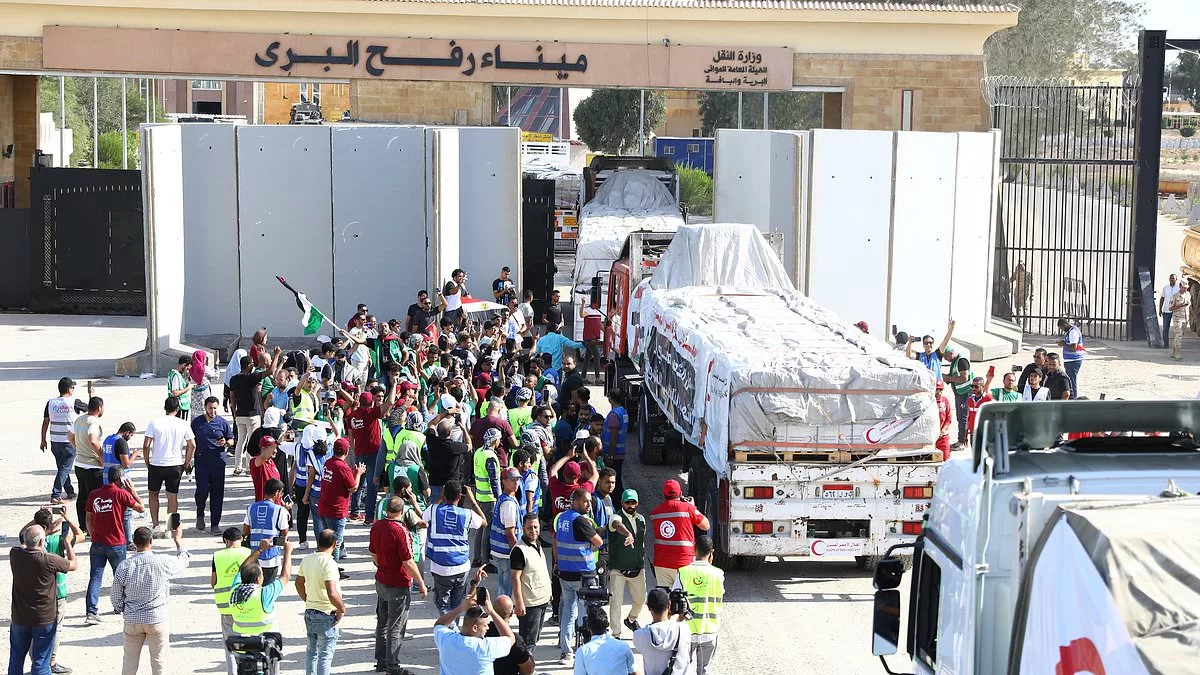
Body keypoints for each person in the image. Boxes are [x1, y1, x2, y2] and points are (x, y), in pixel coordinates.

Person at [112, 523, 191, 675]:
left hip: (133, 619)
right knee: (159, 662)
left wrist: (123, 609)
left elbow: (115, 597)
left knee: (129, 662)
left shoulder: (124, 566)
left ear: (134, 543)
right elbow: (183, 561)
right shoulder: (162, 562)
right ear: (151, 541)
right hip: (157, 618)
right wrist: (178, 540)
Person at [370, 496, 429, 675]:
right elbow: (408, 562)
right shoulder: (401, 530)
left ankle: (381, 662)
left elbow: (374, 554)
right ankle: (393, 667)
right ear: (402, 512)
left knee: (382, 622)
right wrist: (421, 582)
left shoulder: (377, 526)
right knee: (396, 625)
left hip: (381, 580)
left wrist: (382, 567)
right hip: (398, 584)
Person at [20, 508, 81, 675]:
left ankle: (37, 663)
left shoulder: (30, 542)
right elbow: (80, 534)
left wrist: (38, 522)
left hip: (36, 592)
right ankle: (51, 661)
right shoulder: (60, 540)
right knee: (56, 629)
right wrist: (66, 518)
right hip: (58, 591)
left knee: (35, 630)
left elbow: (22, 533)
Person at [84, 465, 144, 625]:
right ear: (120, 479)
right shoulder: (121, 494)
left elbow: (88, 518)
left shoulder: (94, 494)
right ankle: (120, 606)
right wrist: (132, 491)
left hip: (98, 542)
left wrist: (93, 535)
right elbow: (141, 508)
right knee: (121, 577)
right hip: (117, 543)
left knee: (95, 578)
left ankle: (91, 611)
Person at [228, 539, 295, 675]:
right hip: (265, 644)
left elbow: (242, 568)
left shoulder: (234, 591)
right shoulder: (264, 594)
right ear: (259, 579)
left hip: (241, 644)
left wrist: (259, 550)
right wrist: (288, 552)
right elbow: (285, 576)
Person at [555, 488, 604, 664]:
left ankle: (566, 652)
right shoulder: (580, 521)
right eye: (585, 501)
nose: (589, 504)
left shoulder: (562, 519)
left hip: (565, 573)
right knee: (586, 614)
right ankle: (586, 650)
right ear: (575, 502)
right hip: (583, 574)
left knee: (568, 612)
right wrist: (588, 548)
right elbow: (598, 542)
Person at [423, 480, 487, 616]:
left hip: (440, 567)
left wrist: (442, 496)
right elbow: (484, 522)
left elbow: (423, 516)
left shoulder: (434, 510)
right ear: (460, 496)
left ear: (443, 495)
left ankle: (448, 630)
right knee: (457, 605)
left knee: (443, 603)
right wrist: (473, 500)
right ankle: (454, 629)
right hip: (461, 566)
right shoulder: (467, 514)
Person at [433, 570, 515, 672]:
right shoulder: (485, 648)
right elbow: (510, 638)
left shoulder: (447, 641)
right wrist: (492, 611)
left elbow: (439, 624)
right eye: (485, 625)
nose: (488, 627)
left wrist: (461, 607)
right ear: (475, 628)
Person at [142, 396, 196, 535]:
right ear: (177, 409)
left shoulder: (154, 423)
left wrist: (147, 461)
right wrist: (186, 462)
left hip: (157, 463)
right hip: (175, 463)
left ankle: (155, 526)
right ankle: (169, 527)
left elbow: (146, 445)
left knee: (153, 494)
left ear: (164, 407)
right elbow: (192, 445)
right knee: (172, 496)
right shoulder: (183, 424)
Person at [672, 535, 724, 675]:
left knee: (682, 669)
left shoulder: (683, 572)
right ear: (711, 551)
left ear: (694, 550)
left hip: (687, 630)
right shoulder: (718, 574)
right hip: (710, 630)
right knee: (704, 670)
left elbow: (674, 598)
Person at [297, 529, 346, 675]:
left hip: (310, 612)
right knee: (325, 655)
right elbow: (332, 592)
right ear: (335, 544)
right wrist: (341, 609)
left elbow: (298, 584)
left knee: (312, 653)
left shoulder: (307, 559)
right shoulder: (329, 563)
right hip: (326, 614)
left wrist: (308, 599)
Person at [347, 389, 398, 524]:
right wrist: (393, 385)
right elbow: (390, 402)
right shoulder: (370, 413)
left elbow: (350, 436)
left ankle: (354, 512)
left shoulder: (352, 416)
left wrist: (355, 450)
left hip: (360, 453)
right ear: (371, 403)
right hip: (373, 453)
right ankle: (369, 517)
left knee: (358, 483)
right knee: (372, 485)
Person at [649, 479, 709, 589]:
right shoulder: (688, 508)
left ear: (664, 495)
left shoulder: (654, 513)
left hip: (661, 562)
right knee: (685, 597)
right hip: (684, 562)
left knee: (665, 598)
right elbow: (706, 525)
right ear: (680, 494)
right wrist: (692, 507)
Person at [229, 350, 279, 476]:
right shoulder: (252, 377)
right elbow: (270, 371)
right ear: (249, 365)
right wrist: (277, 355)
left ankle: (237, 467)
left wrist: (234, 412)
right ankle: (248, 467)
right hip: (253, 415)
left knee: (240, 441)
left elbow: (232, 397)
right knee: (252, 441)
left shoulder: (234, 379)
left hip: (240, 415)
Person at [42, 376, 90, 503]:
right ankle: (56, 494)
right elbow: (90, 410)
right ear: (69, 389)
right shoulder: (74, 401)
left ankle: (69, 491)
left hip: (55, 441)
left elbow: (45, 422)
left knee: (62, 468)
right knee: (64, 468)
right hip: (70, 441)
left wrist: (43, 440)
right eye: (72, 387)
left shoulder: (51, 403)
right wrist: (91, 395)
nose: (73, 390)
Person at [211, 527, 252, 675]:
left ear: (225, 541)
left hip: (226, 606)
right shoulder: (248, 553)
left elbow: (213, 581)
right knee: (248, 640)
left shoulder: (218, 556)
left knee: (230, 643)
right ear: (241, 539)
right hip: (247, 604)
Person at [319, 438, 367, 561]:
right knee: (335, 543)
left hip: (324, 508)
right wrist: (359, 473)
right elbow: (353, 487)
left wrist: (353, 473)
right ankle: (332, 572)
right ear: (346, 452)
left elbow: (340, 479)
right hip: (336, 511)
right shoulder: (342, 467)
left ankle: (326, 568)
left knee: (327, 544)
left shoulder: (328, 463)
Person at [608, 489, 647, 639]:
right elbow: (617, 525)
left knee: (640, 599)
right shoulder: (615, 516)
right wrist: (628, 534)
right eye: (627, 502)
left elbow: (642, 541)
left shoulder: (641, 519)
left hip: (637, 566)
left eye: (633, 502)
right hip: (618, 569)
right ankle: (616, 633)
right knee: (616, 602)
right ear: (622, 503)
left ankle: (631, 619)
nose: (631, 505)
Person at [192, 396, 234, 533]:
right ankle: (200, 514)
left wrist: (226, 443)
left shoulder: (222, 423)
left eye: (215, 408)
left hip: (218, 463)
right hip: (201, 462)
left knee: (217, 494)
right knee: (202, 491)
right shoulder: (197, 423)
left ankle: (215, 524)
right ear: (205, 407)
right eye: (210, 408)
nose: (213, 411)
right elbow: (190, 441)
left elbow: (232, 439)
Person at [509, 513, 551, 649]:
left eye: (536, 527)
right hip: (530, 604)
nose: (533, 531)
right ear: (523, 528)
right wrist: (519, 603)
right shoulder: (519, 550)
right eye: (530, 528)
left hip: (542, 600)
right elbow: (515, 578)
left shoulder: (537, 544)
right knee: (528, 642)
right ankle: (525, 669)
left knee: (535, 638)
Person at [632, 588, 692, 675]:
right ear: (669, 604)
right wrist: (681, 617)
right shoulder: (683, 629)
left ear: (648, 607)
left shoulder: (639, 635)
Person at [244, 478, 290, 584]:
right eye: (281, 493)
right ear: (277, 492)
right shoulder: (280, 511)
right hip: (271, 557)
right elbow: (284, 534)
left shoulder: (251, 508)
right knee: (267, 588)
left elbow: (245, 530)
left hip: (253, 556)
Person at [70, 395, 106, 530]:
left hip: (79, 463)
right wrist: (101, 456)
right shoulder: (93, 422)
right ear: (99, 408)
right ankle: (94, 527)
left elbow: (69, 436)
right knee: (95, 498)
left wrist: (78, 447)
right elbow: (93, 440)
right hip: (93, 466)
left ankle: (83, 526)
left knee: (82, 496)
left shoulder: (79, 420)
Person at [472, 428, 504, 570]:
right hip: (489, 498)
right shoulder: (490, 456)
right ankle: (485, 561)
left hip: (479, 494)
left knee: (480, 527)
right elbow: (494, 480)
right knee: (487, 529)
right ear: (495, 440)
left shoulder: (479, 452)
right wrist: (500, 498)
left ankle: (477, 558)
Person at [573, 606, 638, 675]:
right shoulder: (623, 646)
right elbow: (635, 673)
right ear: (607, 624)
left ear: (588, 627)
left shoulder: (583, 651)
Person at [490, 467, 524, 597]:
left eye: (518, 480)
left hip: (499, 550)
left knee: (503, 586)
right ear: (504, 481)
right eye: (512, 480)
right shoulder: (509, 504)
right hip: (506, 553)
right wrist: (517, 552)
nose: (516, 483)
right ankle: (502, 614)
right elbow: (510, 533)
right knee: (506, 591)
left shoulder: (503, 498)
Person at [426, 418, 472, 506]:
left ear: (437, 431)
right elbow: (469, 445)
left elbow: (431, 423)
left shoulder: (431, 441)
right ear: (450, 433)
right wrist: (464, 430)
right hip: (451, 486)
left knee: (434, 510)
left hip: (434, 483)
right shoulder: (455, 447)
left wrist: (447, 412)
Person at [486, 595, 535, 675]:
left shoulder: (482, 634)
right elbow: (528, 670)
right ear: (512, 613)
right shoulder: (516, 641)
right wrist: (530, 656)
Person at [942, 349, 972, 446]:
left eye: (946, 357)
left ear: (950, 353)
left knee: (963, 418)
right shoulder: (955, 362)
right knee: (960, 417)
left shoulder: (961, 361)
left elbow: (964, 378)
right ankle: (961, 440)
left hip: (965, 393)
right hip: (960, 394)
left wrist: (949, 378)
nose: (946, 360)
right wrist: (947, 377)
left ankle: (962, 441)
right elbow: (955, 376)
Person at [602, 390, 630, 495]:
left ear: (611, 399)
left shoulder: (614, 414)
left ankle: (618, 504)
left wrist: (610, 456)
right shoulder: (623, 411)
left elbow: (613, 436)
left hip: (614, 454)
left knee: (614, 485)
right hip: (620, 453)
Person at [1056, 318, 1084, 397]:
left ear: (1064, 325)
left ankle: (1074, 398)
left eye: (1061, 328)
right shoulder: (1071, 331)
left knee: (1071, 381)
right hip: (1071, 359)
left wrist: (1064, 344)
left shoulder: (1073, 332)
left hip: (1073, 360)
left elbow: (1073, 348)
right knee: (1071, 380)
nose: (1062, 330)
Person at [189, 350, 219, 415]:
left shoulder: (190, 368)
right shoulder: (204, 368)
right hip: (204, 394)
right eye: (205, 357)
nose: (205, 359)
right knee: (205, 411)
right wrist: (216, 365)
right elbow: (216, 376)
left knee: (195, 413)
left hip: (194, 395)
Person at [167, 355, 194, 420]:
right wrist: (188, 388)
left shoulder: (175, 374)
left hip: (178, 406)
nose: (187, 371)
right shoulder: (176, 376)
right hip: (180, 407)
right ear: (184, 365)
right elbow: (175, 393)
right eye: (187, 368)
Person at [1170, 283, 1192, 361]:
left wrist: (1193, 315)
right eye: (1184, 287)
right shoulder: (1175, 296)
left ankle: (1173, 350)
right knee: (1178, 335)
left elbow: (1190, 306)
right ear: (1180, 286)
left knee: (1180, 334)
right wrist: (1180, 305)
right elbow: (1170, 308)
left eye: (1186, 287)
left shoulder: (1188, 294)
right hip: (1177, 318)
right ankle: (1177, 353)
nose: (1185, 289)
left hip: (1186, 318)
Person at [1160, 273, 1183, 349]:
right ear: (1169, 279)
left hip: (1176, 311)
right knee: (1165, 328)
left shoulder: (1179, 289)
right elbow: (1162, 298)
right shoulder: (1165, 288)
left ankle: (1176, 345)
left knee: (1177, 328)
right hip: (1166, 311)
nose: (1173, 280)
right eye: (1171, 278)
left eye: (1174, 278)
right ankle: (1165, 345)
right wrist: (1160, 309)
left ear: (1176, 279)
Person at [935, 380, 952, 460]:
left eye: (941, 390)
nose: (938, 392)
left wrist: (942, 431)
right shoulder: (929, 401)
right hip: (932, 438)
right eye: (936, 389)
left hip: (943, 437)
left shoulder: (945, 400)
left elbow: (949, 418)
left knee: (946, 460)